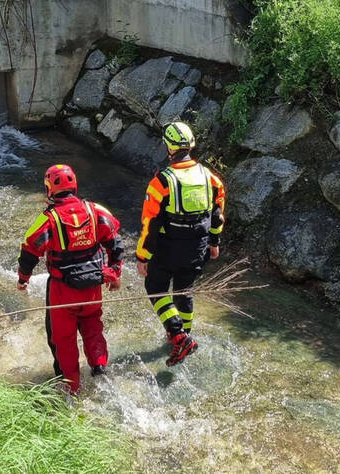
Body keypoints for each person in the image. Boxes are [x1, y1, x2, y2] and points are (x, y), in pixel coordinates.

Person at [17, 164, 123, 394]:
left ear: (49, 190)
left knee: (63, 340)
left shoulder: (48, 219)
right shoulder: (96, 210)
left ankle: (70, 389)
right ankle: (100, 369)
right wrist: (114, 273)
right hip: (94, 286)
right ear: (74, 185)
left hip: (63, 291)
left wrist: (23, 278)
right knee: (93, 326)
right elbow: (115, 242)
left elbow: (29, 248)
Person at [136, 121, 225, 366]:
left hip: (168, 248)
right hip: (198, 247)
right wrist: (214, 242)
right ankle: (186, 336)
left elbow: (150, 224)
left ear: (169, 148)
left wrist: (142, 256)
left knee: (156, 288)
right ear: (191, 146)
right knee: (184, 291)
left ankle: (177, 335)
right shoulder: (211, 178)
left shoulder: (162, 182)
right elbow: (217, 215)